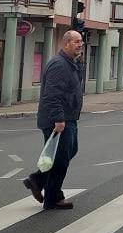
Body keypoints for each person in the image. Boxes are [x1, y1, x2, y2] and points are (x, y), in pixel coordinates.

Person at [23, 30, 85, 210]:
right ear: (66, 43)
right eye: (76, 41)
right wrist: (59, 118)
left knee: (67, 153)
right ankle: (53, 197)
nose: (80, 44)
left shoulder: (71, 63)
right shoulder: (59, 65)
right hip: (58, 119)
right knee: (60, 159)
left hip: (69, 117)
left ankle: (37, 180)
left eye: (81, 41)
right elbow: (52, 95)